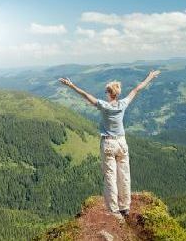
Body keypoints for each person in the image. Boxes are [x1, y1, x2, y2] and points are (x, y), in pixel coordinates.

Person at [58, 70, 161, 221]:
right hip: (122, 142)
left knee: (110, 177)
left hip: (108, 143)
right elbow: (137, 89)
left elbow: (86, 95)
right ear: (117, 93)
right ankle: (125, 207)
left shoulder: (104, 106)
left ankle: (114, 211)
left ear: (108, 92)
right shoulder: (123, 103)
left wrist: (71, 85)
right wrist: (150, 77)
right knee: (124, 175)